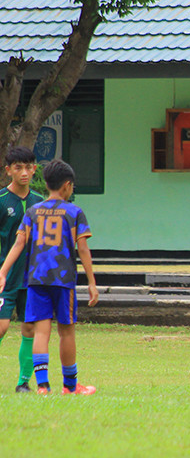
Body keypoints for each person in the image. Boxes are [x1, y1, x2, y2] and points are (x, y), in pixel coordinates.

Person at [0, 159, 99, 395]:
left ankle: (43, 386)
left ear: (45, 183)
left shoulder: (33, 212)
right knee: (66, 330)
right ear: (67, 186)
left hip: (35, 280)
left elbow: (19, 242)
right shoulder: (74, 212)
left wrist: (3, 271)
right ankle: (70, 385)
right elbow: (83, 248)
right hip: (63, 281)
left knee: (41, 331)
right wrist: (92, 282)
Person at [0, 147, 44, 392]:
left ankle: (23, 383)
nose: (24, 172)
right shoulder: (2, 201)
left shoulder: (40, 203)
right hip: (4, 275)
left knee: (29, 328)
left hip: (32, 277)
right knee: (2, 326)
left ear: (34, 169)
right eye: (18, 167)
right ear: (9, 171)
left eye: (28, 167)